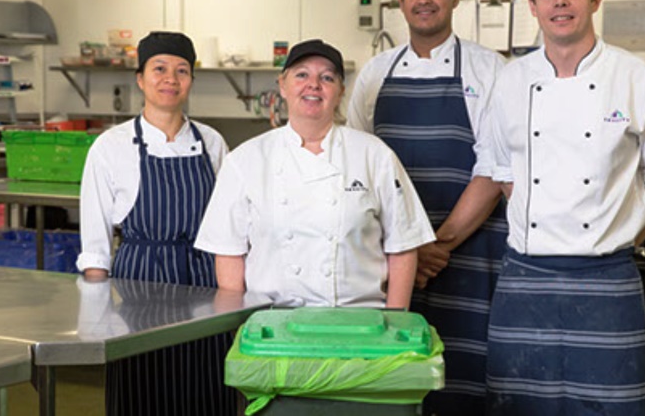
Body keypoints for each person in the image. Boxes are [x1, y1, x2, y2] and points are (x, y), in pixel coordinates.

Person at [483, 0, 645, 414]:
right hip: (525, 275)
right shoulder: (510, 81)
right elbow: (503, 171)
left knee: (612, 405)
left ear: (596, 0)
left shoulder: (636, 78)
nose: (560, 1)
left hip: (607, 277)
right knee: (519, 405)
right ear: (532, 6)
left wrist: (622, 235)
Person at [346, 0, 508, 414]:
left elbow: (496, 167)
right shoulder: (375, 73)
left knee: (467, 369)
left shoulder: (490, 69)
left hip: (470, 248)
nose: (424, 0)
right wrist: (410, 249)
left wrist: (438, 244)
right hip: (393, 255)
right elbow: (360, 165)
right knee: (396, 368)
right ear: (400, 2)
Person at [195, 39, 435, 309]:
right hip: (270, 321)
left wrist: (396, 319)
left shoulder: (375, 155)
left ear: (340, 91)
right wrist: (239, 322)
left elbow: (403, 247)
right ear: (282, 85)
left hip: (360, 321)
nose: (314, 85)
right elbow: (228, 252)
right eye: (301, 75)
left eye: (327, 77)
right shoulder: (245, 160)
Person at [77, 31, 237, 415]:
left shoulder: (212, 142)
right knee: (143, 386)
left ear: (191, 80)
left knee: (206, 384)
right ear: (140, 78)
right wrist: (98, 316)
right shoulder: (110, 147)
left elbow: (232, 224)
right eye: (160, 69)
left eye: (182, 70)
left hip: (204, 280)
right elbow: (95, 244)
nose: (171, 79)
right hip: (140, 283)